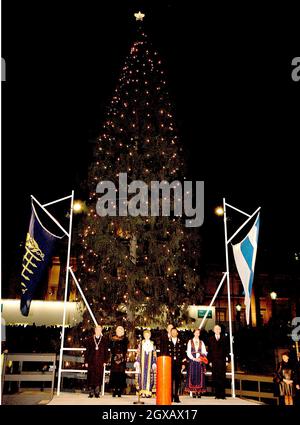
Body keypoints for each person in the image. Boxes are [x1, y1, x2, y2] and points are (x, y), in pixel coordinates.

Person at [84, 325, 109, 398]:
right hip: (91, 361)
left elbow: (106, 352)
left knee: (98, 376)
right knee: (91, 376)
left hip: (100, 361)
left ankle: (97, 392)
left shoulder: (104, 340)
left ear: (101, 331)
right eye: (97, 329)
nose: (98, 331)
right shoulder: (90, 339)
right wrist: (86, 361)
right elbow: (87, 351)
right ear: (95, 330)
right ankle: (91, 392)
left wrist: (105, 361)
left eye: (99, 330)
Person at [207, 324, 229, 399]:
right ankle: (217, 395)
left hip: (222, 361)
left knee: (222, 377)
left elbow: (227, 350)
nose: (217, 330)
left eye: (218, 329)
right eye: (215, 329)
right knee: (215, 377)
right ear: (213, 330)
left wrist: (227, 360)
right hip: (214, 361)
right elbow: (209, 351)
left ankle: (222, 395)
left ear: (220, 330)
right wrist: (209, 361)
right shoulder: (210, 339)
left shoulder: (224, 338)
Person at [134, 329, 157, 398]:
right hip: (142, 363)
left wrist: (154, 362)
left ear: (150, 335)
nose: (147, 336)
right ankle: (142, 392)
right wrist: (137, 361)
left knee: (150, 377)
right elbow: (138, 353)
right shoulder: (141, 344)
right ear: (144, 336)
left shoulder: (152, 344)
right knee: (142, 377)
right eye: (145, 335)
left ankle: (148, 391)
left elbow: (154, 354)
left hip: (149, 363)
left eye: (148, 335)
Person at [186, 329, 208, 398]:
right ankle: (194, 391)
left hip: (200, 361)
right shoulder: (190, 342)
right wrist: (193, 358)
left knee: (199, 375)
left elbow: (204, 352)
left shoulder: (202, 342)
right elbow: (188, 352)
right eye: (196, 333)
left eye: (198, 333)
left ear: (199, 334)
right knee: (193, 375)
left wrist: (200, 357)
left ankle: (199, 391)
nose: (197, 334)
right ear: (194, 333)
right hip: (192, 361)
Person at [167, 328, 187, 403]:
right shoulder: (168, 342)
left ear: (177, 333)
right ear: (171, 333)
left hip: (178, 364)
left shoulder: (181, 342)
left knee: (177, 380)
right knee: (170, 380)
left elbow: (183, 354)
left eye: (175, 332)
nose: (174, 333)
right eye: (172, 332)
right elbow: (166, 353)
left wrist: (184, 364)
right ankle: (171, 396)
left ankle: (176, 396)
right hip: (170, 364)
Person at [109, 325, 129, 397]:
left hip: (122, 359)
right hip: (114, 359)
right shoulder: (113, 339)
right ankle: (114, 390)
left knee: (121, 374)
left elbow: (125, 349)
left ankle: (119, 390)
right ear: (116, 331)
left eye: (121, 330)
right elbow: (111, 348)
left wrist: (121, 355)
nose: (119, 332)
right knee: (114, 374)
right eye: (118, 330)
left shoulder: (125, 339)